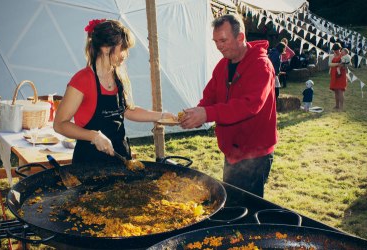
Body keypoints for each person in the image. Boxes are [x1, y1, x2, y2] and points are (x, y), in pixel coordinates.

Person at [180, 14, 277, 198]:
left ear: (240, 37)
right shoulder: (222, 66)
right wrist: (196, 115)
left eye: (223, 40)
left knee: (247, 207)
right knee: (231, 200)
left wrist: (207, 114)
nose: (218, 46)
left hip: (254, 153)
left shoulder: (261, 66)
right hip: (233, 150)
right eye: (216, 41)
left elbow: (250, 105)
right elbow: (210, 97)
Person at [54, 19, 176, 164]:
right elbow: (60, 124)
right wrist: (94, 136)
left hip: (120, 157)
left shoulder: (118, 75)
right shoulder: (82, 80)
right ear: (106, 48)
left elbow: (126, 111)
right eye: (123, 48)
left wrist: (161, 116)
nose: (126, 54)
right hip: (89, 162)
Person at [328, 43, 347, 111]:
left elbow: (346, 64)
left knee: (340, 90)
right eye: (334, 50)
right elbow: (330, 64)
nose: (335, 51)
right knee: (335, 90)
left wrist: (343, 65)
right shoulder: (331, 56)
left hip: (341, 74)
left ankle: (341, 107)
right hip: (334, 74)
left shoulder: (343, 55)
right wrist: (338, 64)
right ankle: (337, 105)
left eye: (337, 50)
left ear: (340, 49)